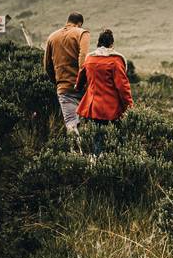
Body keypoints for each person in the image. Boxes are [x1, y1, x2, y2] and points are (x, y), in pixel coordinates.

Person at [75, 29, 134, 153]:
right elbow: (122, 87)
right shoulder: (116, 61)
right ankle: (118, 161)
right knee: (120, 137)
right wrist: (129, 106)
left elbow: (80, 78)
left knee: (98, 138)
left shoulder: (90, 58)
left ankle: (97, 163)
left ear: (98, 43)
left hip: (94, 106)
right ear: (111, 44)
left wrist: (78, 88)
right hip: (112, 107)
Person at [43, 12, 90, 141]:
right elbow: (83, 58)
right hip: (82, 88)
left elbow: (47, 65)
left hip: (64, 88)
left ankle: (75, 156)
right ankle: (89, 155)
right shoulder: (82, 33)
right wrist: (82, 81)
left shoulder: (52, 37)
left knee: (71, 123)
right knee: (87, 126)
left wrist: (58, 82)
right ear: (79, 24)